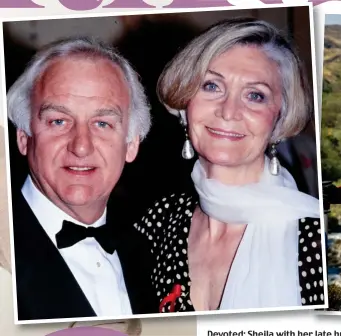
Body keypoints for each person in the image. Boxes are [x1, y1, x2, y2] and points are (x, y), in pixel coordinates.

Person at [134, 18, 325, 312]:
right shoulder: (159, 222)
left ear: (279, 118)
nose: (228, 111)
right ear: (185, 103)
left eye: (255, 95)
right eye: (211, 86)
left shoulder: (317, 239)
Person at [6, 37, 158, 320]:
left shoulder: (148, 254)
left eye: (102, 124)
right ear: (24, 137)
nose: (81, 146)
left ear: (132, 144)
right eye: (58, 121)